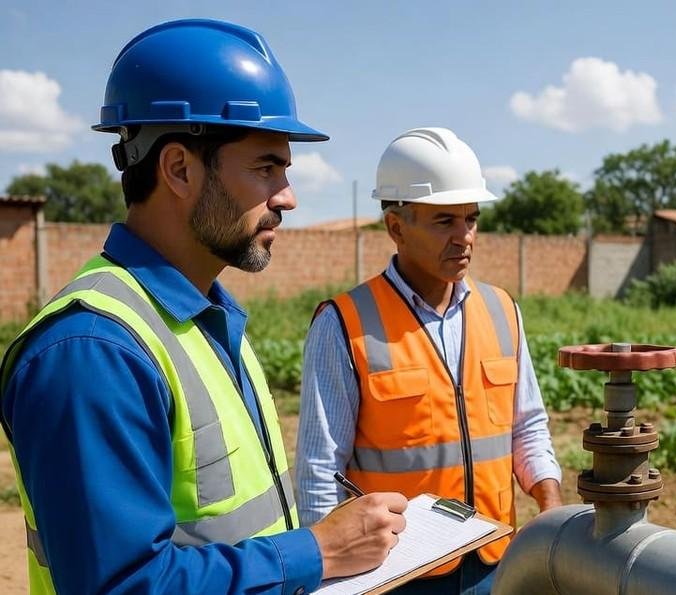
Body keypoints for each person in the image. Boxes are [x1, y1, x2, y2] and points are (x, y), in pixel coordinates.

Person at [0, 19, 408, 594]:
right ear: (179, 169)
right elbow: (121, 586)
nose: (287, 196)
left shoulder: (208, 319)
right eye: (266, 166)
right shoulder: (93, 353)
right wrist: (317, 551)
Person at [296, 127, 563, 595]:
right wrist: (330, 576)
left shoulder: (502, 310)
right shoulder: (344, 323)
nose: (464, 237)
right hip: (395, 570)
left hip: (493, 558)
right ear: (396, 226)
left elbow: (527, 427)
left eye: (472, 219)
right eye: (444, 221)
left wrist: (551, 504)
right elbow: (321, 468)